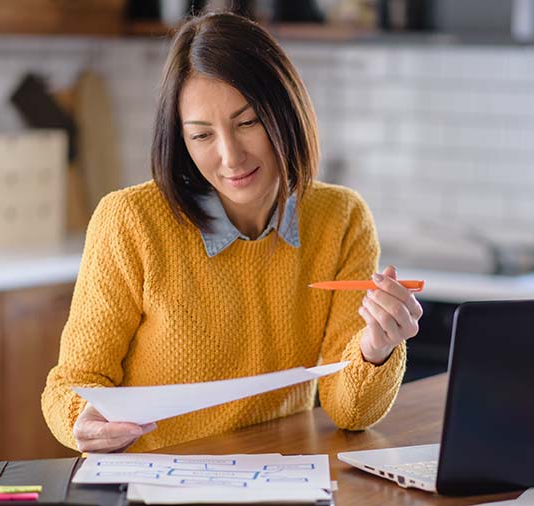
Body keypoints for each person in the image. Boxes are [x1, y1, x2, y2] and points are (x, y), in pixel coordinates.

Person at [41, 11, 423, 453]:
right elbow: (71, 384)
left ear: (285, 110)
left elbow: (350, 412)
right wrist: (79, 420)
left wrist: (376, 348)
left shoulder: (341, 219)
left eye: (247, 123)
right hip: (157, 486)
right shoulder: (129, 221)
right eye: (202, 135)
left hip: (280, 479)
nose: (231, 157)